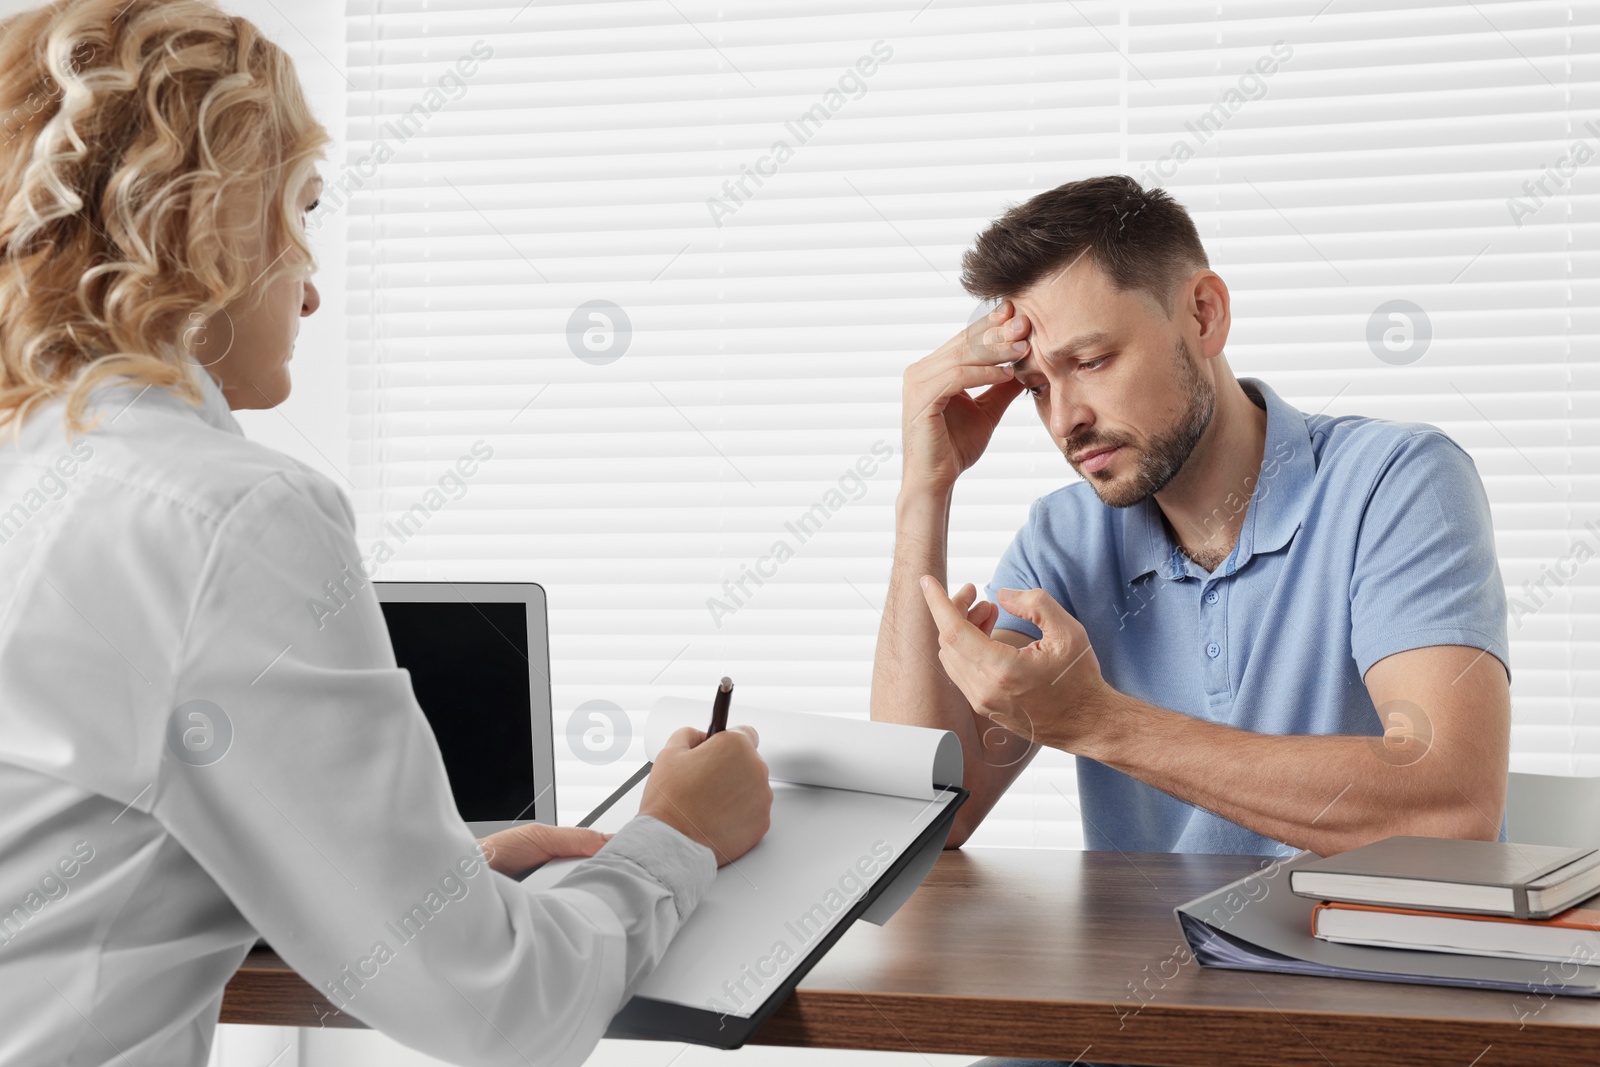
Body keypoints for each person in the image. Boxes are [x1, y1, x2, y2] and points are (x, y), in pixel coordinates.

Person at [0, 1, 772, 1064]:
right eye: (299, 210)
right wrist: (674, 838)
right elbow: (499, 1009)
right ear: (205, 224)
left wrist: (419, 877)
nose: (312, 290)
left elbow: (65, 854)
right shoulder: (228, 514)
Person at [874, 174, 1512, 1067]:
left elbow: (1450, 801)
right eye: (1035, 384)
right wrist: (924, 489)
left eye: (1092, 361)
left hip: (1360, 1022)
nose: (1068, 418)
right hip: (1149, 1016)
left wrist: (1099, 722)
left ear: (1203, 316)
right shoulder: (1066, 535)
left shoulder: (1395, 484)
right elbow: (921, 820)